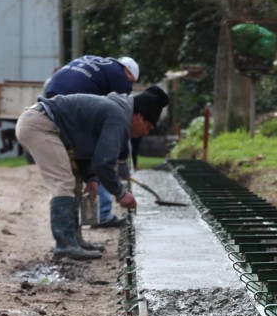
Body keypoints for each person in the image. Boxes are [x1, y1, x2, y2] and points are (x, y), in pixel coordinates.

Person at [15, 86, 169, 261]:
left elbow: (85, 149)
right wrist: (120, 193)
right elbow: (103, 163)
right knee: (63, 183)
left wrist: (91, 178)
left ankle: (74, 241)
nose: (145, 132)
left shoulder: (115, 111)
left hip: (42, 123)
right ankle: (65, 246)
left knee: (72, 183)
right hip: (39, 125)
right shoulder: (118, 117)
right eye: (148, 126)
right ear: (139, 116)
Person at [44, 55, 140, 229]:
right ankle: (102, 215)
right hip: (73, 100)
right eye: (131, 80)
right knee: (101, 158)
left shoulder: (102, 64)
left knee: (80, 166)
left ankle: (80, 226)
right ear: (127, 71)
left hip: (52, 92)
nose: (130, 86)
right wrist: (121, 157)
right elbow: (121, 121)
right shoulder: (121, 78)